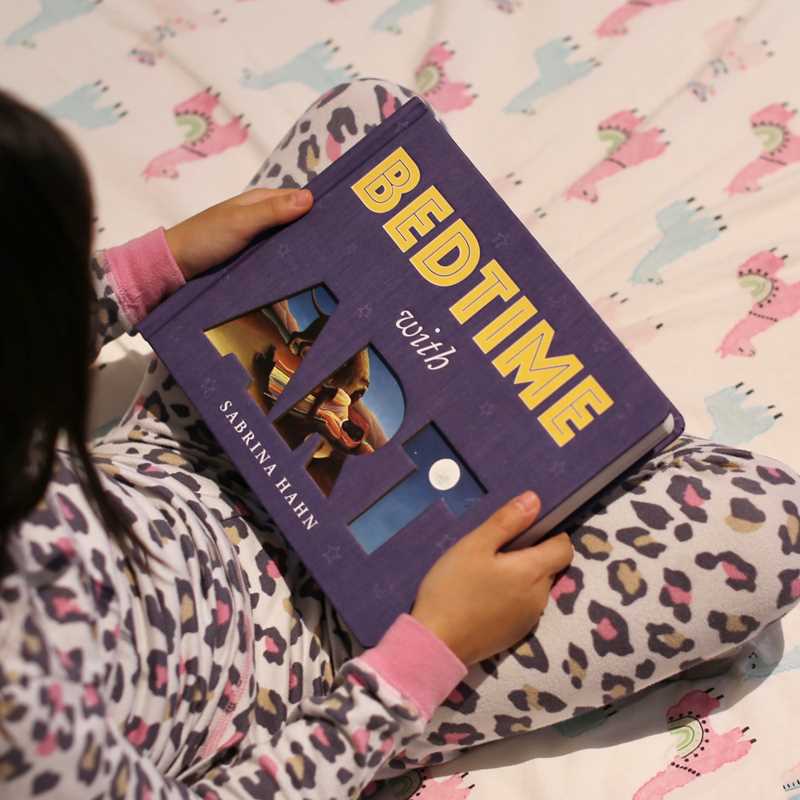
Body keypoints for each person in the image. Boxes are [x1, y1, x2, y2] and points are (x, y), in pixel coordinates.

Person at [1, 78, 798, 800]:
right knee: (764, 525)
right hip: (323, 653)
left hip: (191, 442)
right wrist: (427, 654)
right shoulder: (27, 732)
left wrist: (152, 269)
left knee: (364, 128)